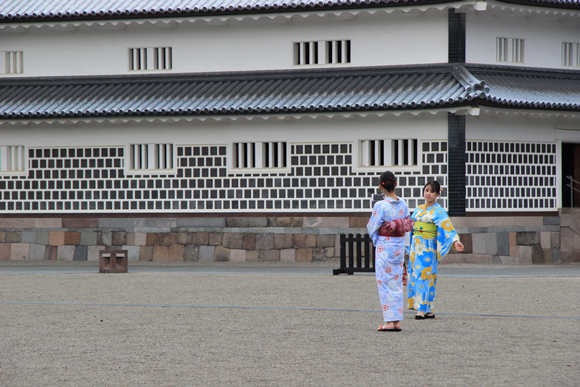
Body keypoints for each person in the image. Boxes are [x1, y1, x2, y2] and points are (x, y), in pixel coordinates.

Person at [407, 180, 464, 319]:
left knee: (425, 276)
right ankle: (429, 309)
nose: (428, 194)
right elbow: (410, 225)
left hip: (427, 246)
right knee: (416, 275)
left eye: (432, 191)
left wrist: (455, 240)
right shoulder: (418, 209)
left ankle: (422, 308)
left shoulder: (439, 211)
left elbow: (447, 227)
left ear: (437, 194)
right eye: (426, 190)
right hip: (416, 246)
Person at [367, 171, 413, 332]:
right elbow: (407, 224)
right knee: (396, 283)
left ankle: (389, 321)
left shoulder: (380, 205)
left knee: (384, 283)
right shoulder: (404, 204)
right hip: (399, 246)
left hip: (385, 247)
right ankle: (397, 321)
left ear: (381, 186)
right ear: (396, 184)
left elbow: (372, 227)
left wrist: (376, 239)